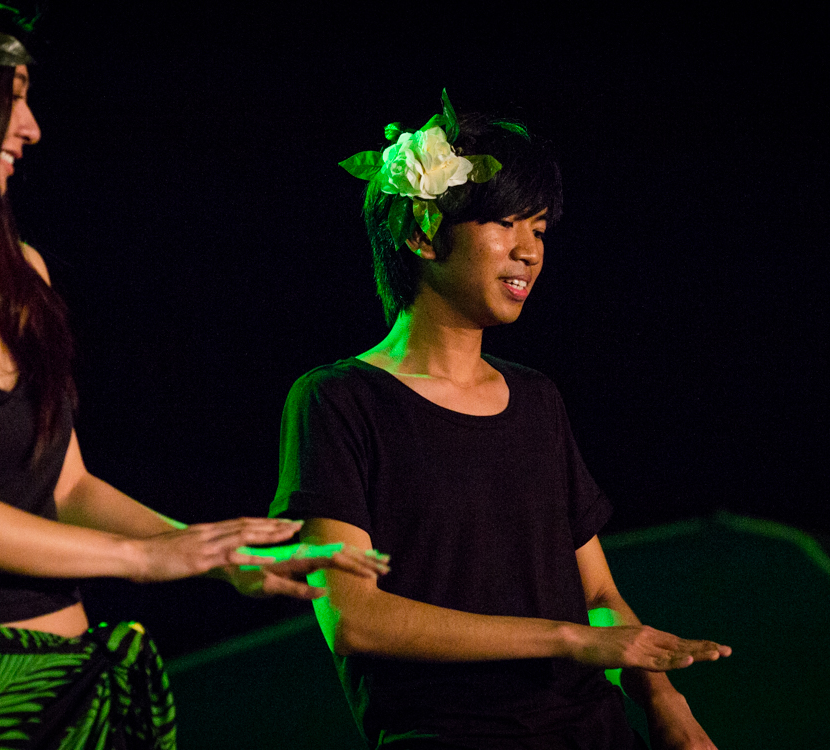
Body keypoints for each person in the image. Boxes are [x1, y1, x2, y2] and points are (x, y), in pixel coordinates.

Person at [0, 3, 387, 748]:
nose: (30, 127)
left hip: (70, 679)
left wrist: (220, 558)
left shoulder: (21, 272)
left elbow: (66, 488)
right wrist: (144, 560)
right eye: (13, 95)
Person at [272, 93, 731, 749]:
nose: (529, 251)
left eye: (539, 230)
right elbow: (353, 615)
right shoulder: (338, 401)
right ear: (422, 231)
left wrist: (666, 704)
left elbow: (595, 588)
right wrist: (569, 639)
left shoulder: (537, 397)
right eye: (505, 223)